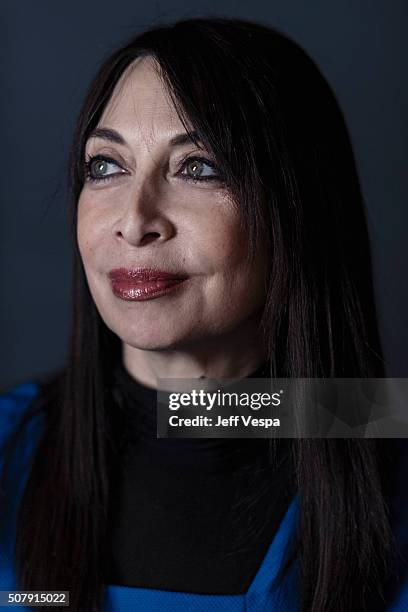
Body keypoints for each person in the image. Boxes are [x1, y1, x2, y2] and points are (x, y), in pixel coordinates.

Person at [0, 17, 407, 612]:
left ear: (297, 208)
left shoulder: (380, 434)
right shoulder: (11, 443)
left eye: (199, 167)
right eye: (106, 166)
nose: (135, 221)